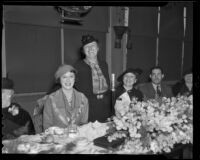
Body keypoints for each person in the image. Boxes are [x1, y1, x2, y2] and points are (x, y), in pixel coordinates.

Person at [74, 34, 113, 122]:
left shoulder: (104, 64)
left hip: (105, 105)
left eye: (93, 46)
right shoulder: (77, 66)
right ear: (83, 51)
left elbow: (108, 85)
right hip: (88, 107)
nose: (90, 49)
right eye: (87, 47)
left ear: (98, 48)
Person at [43, 64, 89, 130]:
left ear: (75, 78)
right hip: (57, 138)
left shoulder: (83, 98)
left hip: (77, 137)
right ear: (59, 79)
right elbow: (47, 127)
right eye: (64, 77)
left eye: (71, 76)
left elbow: (84, 124)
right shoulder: (50, 99)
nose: (68, 80)